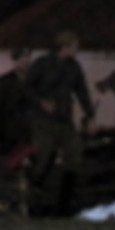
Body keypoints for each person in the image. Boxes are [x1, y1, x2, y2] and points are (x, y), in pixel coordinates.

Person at [24, 30, 94, 212]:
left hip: (64, 118)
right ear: (65, 47)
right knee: (44, 156)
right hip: (43, 120)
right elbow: (27, 88)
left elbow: (82, 91)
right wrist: (41, 102)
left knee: (74, 154)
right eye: (74, 46)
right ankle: (32, 196)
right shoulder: (42, 64)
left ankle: (65, 203)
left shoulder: (74, 67)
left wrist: (90, 114)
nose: (76, 50)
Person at [0, 49, 37, 166]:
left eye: (28, 58)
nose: (26, 61)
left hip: (29, 133)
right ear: (16, 60)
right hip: (8, 133)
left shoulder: (34, 82)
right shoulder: (4, 82)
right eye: (22, 58)